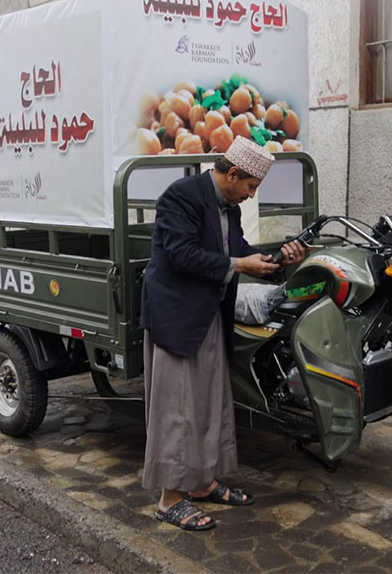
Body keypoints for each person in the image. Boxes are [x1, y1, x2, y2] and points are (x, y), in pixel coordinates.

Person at [140, 136, 306, 531]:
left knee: (209, 402)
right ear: (233, 173)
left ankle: (199, 484)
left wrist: (276, 259)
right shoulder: (180, 197)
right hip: (177, 317)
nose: (251, 196)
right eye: (250, 186)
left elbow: (238, 250)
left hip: (210, 314)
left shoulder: (226, 205)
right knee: (178, 409)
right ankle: (169, 499)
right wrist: (239, 263)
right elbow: (182, 255)